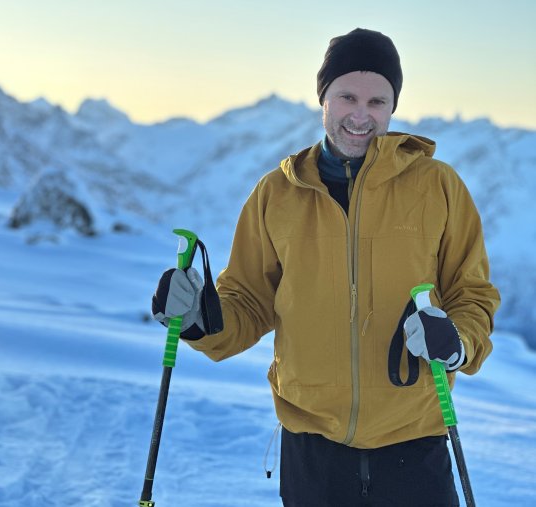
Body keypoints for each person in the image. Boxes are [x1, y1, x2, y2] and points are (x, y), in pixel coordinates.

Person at [152, 28, 500, 507]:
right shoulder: (276, 193)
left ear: (393, 107)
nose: (361, 115)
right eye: (347, 96)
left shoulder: (438, 186)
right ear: (324, 98)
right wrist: (198, 318)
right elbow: (248, 302)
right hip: (312, 451)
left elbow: (471, 292)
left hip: (415, 441)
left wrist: (457, 341)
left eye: (377, 100)